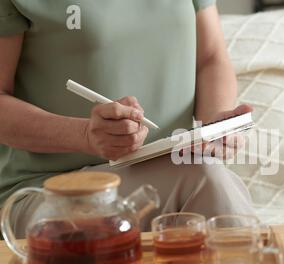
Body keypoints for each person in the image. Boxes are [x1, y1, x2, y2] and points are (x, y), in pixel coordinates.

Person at [0, 0, 255, 237]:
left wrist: (211, 129)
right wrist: (85, 136)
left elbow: (211, 58)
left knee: (207, 177)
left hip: (174, 169)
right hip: (51, 191)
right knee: (205, 182)